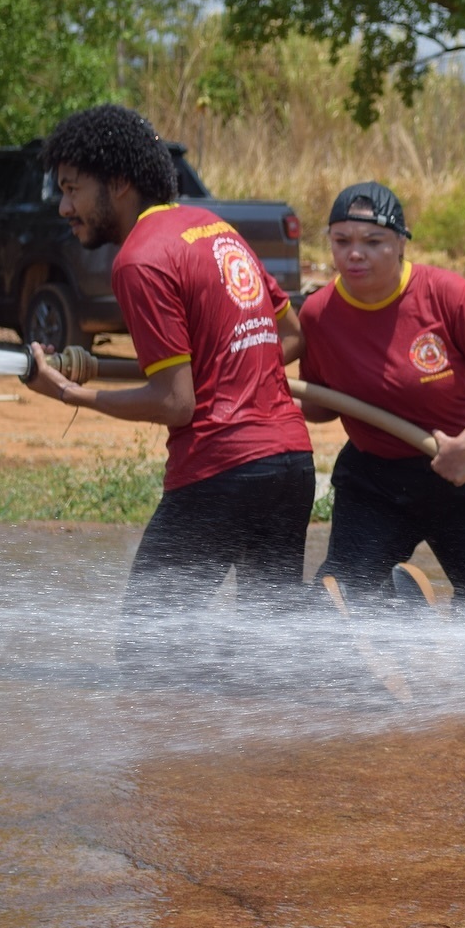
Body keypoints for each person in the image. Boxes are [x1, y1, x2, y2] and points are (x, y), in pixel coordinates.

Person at [27, 104, 315, 607]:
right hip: (289, 462)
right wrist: (229, 373)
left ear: (117, 182)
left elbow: (175, 402)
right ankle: (371, 611)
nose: (64, 208)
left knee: (149, 649)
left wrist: (71, 392)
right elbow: (290, 336)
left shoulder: (140, 259)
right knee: (270, 648)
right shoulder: (215, 229)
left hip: (221, 467)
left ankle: (349, 610)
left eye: (72, 189)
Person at [296, 181, 465, 611]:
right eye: (342, 241)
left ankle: (410, 598)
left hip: (464, 473)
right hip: (375, 481)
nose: (355, 254)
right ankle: (399, 599)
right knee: (337, 608)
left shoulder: (445, 294)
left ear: (400, 243)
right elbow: (322, 403)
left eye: (372, 242)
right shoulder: (318, 314)